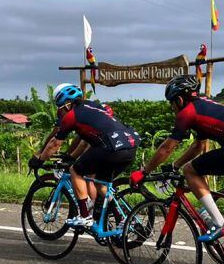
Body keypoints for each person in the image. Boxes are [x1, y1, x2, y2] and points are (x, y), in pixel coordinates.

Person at [129, 75, 224, 264]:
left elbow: (167, 147)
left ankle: (219, 223)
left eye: (172, 104)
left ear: (179, 99)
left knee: (191, 171)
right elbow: (199, 146)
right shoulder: (207, 107)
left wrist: (144, 172)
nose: (173, 108)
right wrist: (175, 165)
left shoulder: (187, 112)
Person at [29, 83, 140, 228]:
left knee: (75, 171)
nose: (60, 112)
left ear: (67, 104)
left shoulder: (72, 116)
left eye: (60, 107)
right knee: (100, 183)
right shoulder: (93, 107)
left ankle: (85, 216)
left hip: (111, 147)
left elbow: (55, 144)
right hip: (130, 146)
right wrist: (71, 157)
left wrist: (39, 160)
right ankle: (122, 218)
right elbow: (83, 142)